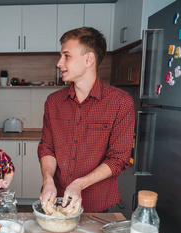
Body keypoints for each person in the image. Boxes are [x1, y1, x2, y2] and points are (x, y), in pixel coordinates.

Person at [38, 27, 135, 214]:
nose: (59, 63)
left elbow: (118, 159)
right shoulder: (53, 102)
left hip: (97, 205)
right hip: (56, 200)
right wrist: (47, 180)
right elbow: (47, 147)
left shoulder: (121, 102)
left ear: (89, 59)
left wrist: (80, 184)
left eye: (66, 56)